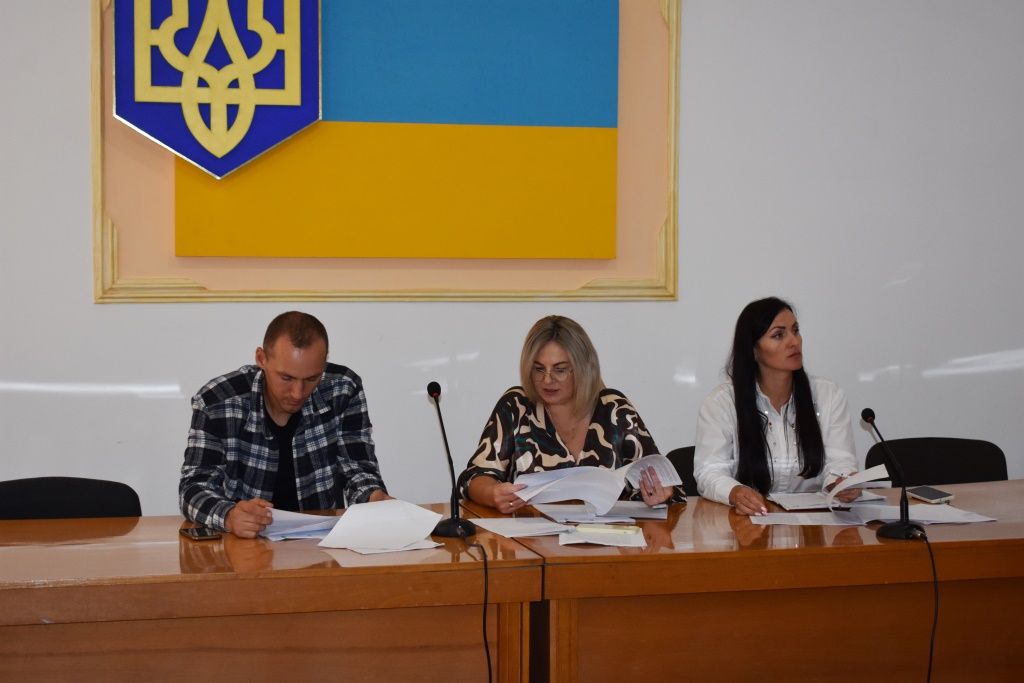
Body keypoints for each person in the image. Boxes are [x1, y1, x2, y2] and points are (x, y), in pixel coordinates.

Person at [180, 311, 389, 538]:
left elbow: (357, 470)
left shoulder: (343, 389)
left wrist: (373, 497)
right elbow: (193, 489)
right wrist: (229, 516)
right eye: (286, 378)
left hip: (320, 541)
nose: (298, 393)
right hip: (246, 542)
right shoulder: (217, 402)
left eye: (311, 378)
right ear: (261, 359)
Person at [458, 315, 683, 512]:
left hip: (608, 538)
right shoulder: (517, 406)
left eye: (560, 370)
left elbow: (662, 484)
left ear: (584, 369)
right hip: (531, 540)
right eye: (538, 369)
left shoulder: (614, 409)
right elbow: (474, 478)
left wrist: (659, 495)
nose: (547, 380)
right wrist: (493, 494)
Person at [694, 297, 860, 516]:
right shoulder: (722, 402)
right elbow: (709, 471)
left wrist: (840, 482)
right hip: (747, 522)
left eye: (795, 331)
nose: (794, 341)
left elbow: (841, 462)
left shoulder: (828, 395)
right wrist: (735, 492)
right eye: (778, 335)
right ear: (753, 349)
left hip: (814, 522)